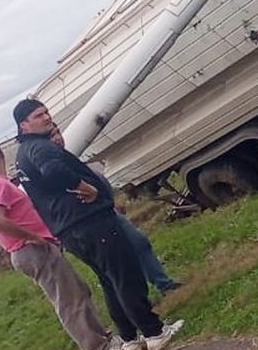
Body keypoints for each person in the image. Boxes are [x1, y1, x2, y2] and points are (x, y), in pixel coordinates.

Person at [13, 99, 184, 350]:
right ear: (24, 125)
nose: (46, 117)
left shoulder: (23, 155)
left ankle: (129, 338)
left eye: (46, 112)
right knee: (126, 276)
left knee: (110, 281)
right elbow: (54, 170)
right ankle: (154, 332)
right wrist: (86, 187)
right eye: (38, 115)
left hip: (70, 230)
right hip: (90, 222)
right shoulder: (39, 147)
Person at [0, 138, 121, 350]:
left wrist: (9, 238)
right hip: (32, 248)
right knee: (69, 300)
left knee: (77, 290)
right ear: (1, 153)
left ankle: (99, 337)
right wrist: (31, 236)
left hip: (25, 249)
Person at [49, 124, 181, 295]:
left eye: (58, 132)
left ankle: (162, 284)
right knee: (121, 259)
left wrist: (110, 200)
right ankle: (140, 301)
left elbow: (97, 183)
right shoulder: (56, 168)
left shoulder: (68, 158)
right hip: (93, 219)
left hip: (107, 209)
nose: (57, 138)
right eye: (51, 136)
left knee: (139, 243)